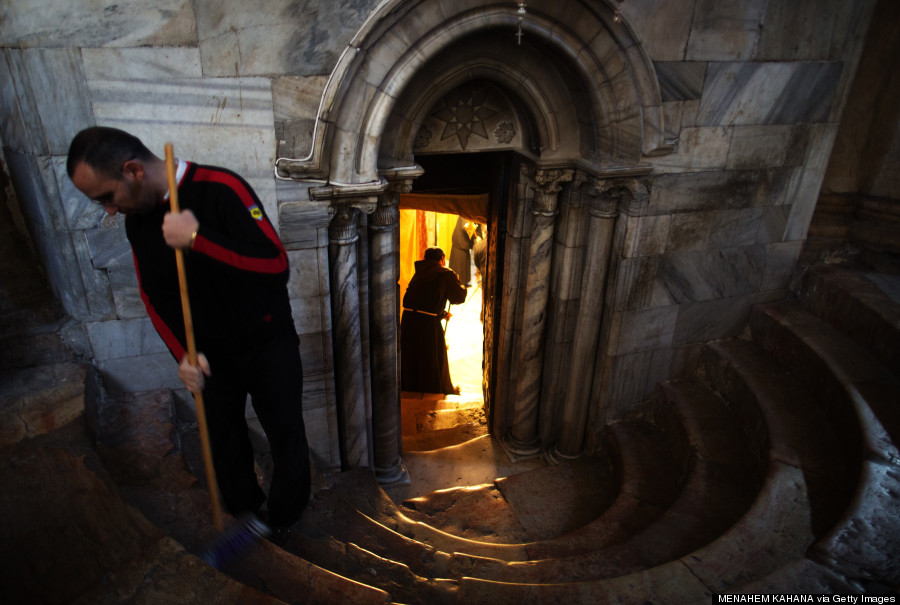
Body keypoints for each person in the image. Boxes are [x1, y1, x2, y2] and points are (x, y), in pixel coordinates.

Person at [66, 126, 310, 543]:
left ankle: (286, 516)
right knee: (225, 443)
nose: (109, 211)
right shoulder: (138, 222)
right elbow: (152, 295)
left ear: (133, 171)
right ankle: (247, 516)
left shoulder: (222, 188)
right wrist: (183, 354)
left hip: (267, 344)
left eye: (107, 197)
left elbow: (274, 265)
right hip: (208, 354)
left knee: (286, 432)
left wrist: (198, 239)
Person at [400, 247, 467, 395]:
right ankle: (435, 390)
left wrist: (440, 313)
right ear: (442, 258)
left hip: (408, 320)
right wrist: (460, 283)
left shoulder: (419, 273)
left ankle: (412, 387)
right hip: (427, 325)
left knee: (412, 356)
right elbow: (458, 297)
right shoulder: (445, 273)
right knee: (431, 358)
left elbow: (420, 301)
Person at [449, 216, 477, 286]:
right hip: (460, 241)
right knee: (459, 263)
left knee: (464, 263)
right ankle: (458, 282)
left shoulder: (467, 212)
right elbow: (466, 227)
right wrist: (476, 236)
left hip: (462, 242)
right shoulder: (465, 213)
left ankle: (463, 281)